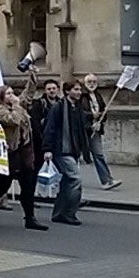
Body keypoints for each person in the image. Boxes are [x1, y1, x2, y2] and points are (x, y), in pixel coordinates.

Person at [0, 82, 49, 230]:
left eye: (12, 93)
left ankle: (30, 218)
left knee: (28, 185)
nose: (12, 96)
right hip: (7, 154)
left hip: (23, 151)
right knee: (0, 187)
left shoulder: (18, 107)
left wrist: (32, 77)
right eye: (8, 93)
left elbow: (29, 94)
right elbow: (13, 120)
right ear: (1, 96)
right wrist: (17, 105)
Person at [42, 79, 93, 226]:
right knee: (75, 179)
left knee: (66, 182)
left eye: (79, 90)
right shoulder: (58, 107)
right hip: (61, 150)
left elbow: (80, 129)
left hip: (73, 150)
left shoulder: (77, 108)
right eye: (75, 89)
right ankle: (70, 213)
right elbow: (50, 128)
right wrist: (47, 149)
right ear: (67, 91)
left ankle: (59, 213)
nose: (78, 92)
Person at [81, 74, 122, 190]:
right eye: (89, 82)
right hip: (83, 132)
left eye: (94, 82)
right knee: (73, 157)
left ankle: (107, 180)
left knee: (98, 155)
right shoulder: (81, 97)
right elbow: (79, 114)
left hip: (96, 130)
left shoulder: (98, 96)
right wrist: (91, 117)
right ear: (85, 83)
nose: (92, 84)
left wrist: (100, 122)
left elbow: (104, 111)